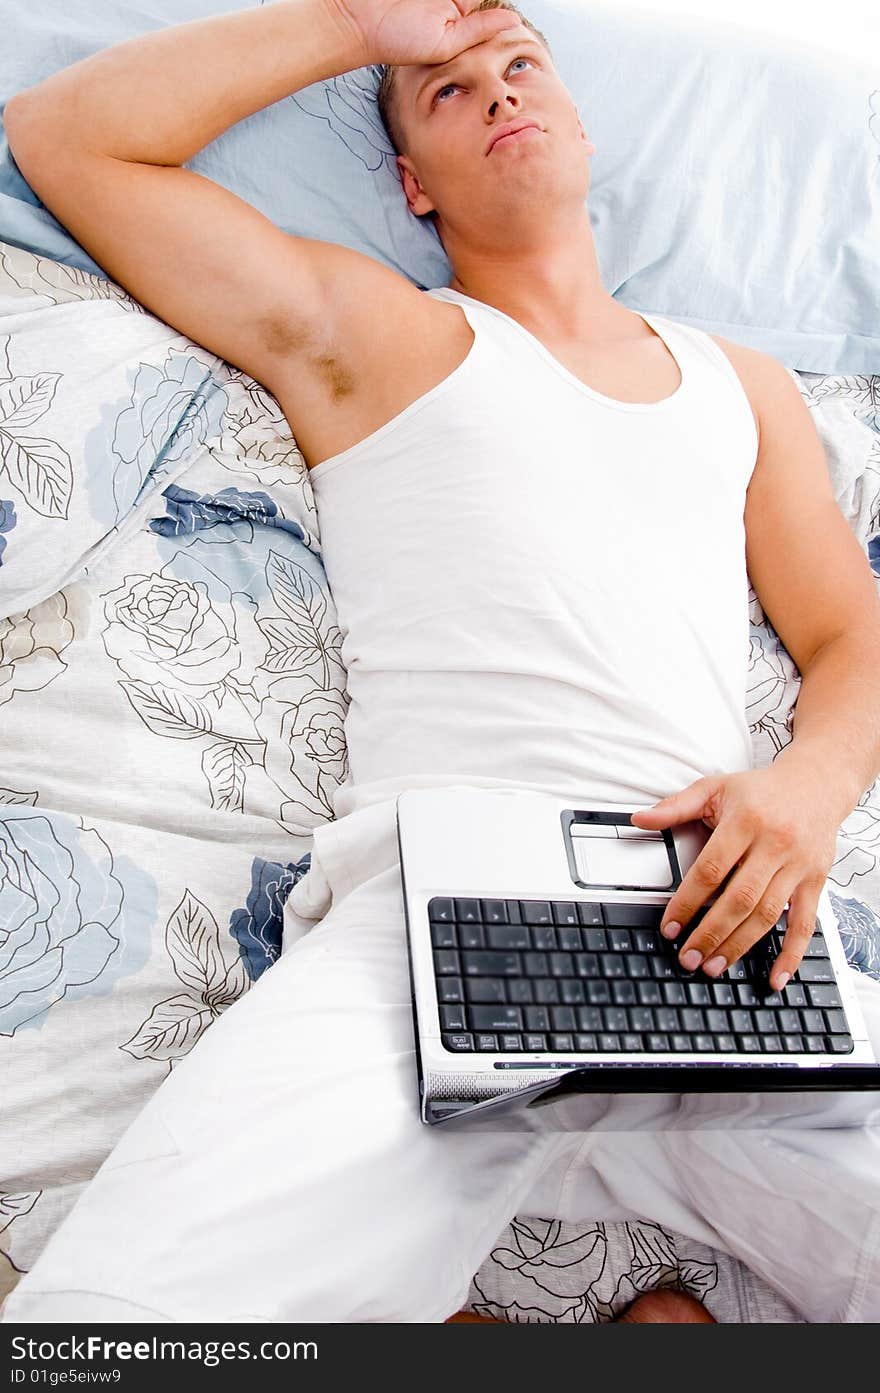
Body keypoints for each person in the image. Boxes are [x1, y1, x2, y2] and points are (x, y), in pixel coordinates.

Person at [3, 0, 880, 1325]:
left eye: (521, 64)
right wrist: (363, 21)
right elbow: (68, 139)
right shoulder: (382, 332)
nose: (499, 90)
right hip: (432, 934)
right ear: (411, 183)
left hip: (716, 931)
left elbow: (848, 633)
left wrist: (807, 789)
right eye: (450, 92)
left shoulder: (742, 385)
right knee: (104, 1333)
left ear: (581, 122)